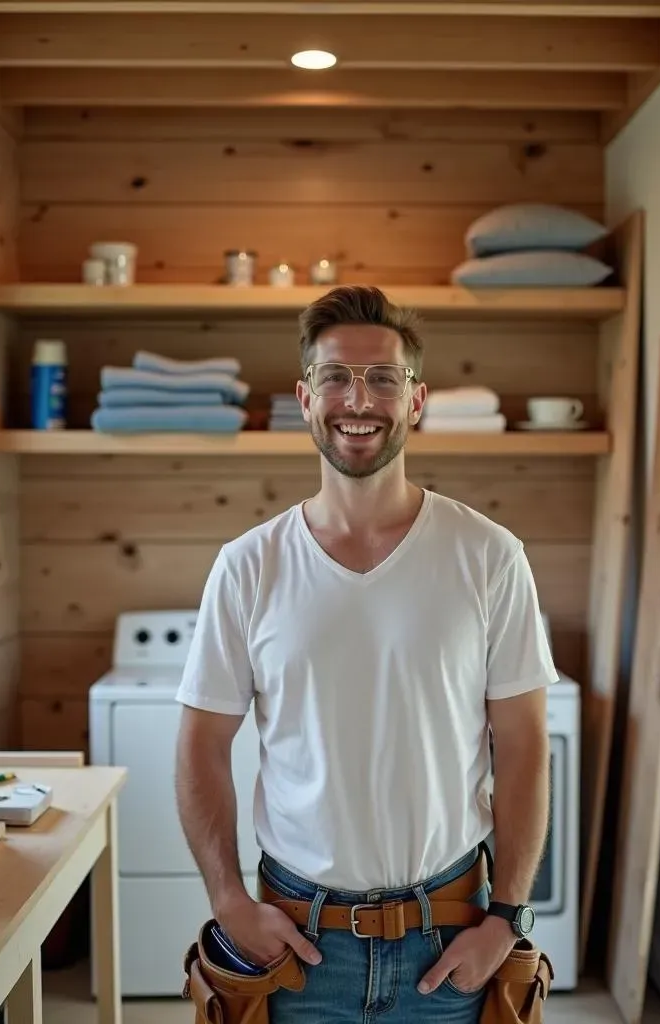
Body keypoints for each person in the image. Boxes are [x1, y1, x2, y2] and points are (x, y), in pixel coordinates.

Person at [174, 284, 557, 1023]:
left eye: (383, 378)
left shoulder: (489, 556)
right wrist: (228, 900)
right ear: (305, 398)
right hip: (294, 948)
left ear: (416, 401)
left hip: (448, 941)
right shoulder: (250, 565)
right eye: (336, 377)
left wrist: (505, 917)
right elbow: (200, 744)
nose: (360, 398)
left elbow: (523, 744)